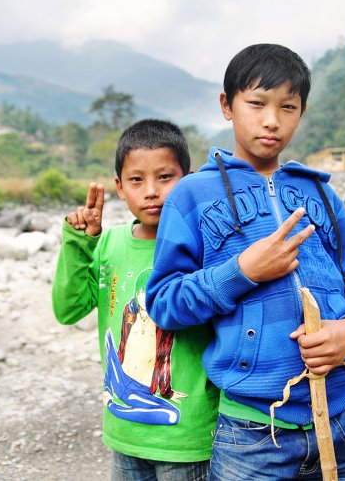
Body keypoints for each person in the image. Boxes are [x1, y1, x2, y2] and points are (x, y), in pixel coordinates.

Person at [145, 44, 345, 480]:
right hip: (252, 433)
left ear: (302, 111)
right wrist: (243, 272)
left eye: (288, 107)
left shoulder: (323, 196)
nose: (272, 120)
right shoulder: (191, 196)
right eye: (256, 103)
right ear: (227, 105)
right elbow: (164, 302)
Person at [52, 119, 219, 481]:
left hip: (188, 438)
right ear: (119, 187)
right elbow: (68, 310)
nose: (151, 192)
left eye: (165, 177)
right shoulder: (110, 244)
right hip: (124, 431)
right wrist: (79, 245)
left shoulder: (204, 246)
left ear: (187, 180)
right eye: (137, 180)